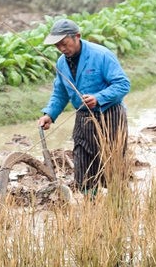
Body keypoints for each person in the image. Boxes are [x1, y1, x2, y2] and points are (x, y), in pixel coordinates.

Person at [38, 18, 130, 194]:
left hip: (109, 114)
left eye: (64, 44)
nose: (62, 49)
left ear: (77, 36)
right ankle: (91, 206)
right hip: (83, 117)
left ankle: (118, 207)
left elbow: (123, 84)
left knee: (113, 165)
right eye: (57, 46)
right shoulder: (61, 63)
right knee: (82, 164)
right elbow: (61, 92)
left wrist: (98, 98)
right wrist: (49, 114)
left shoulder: (101, 55)